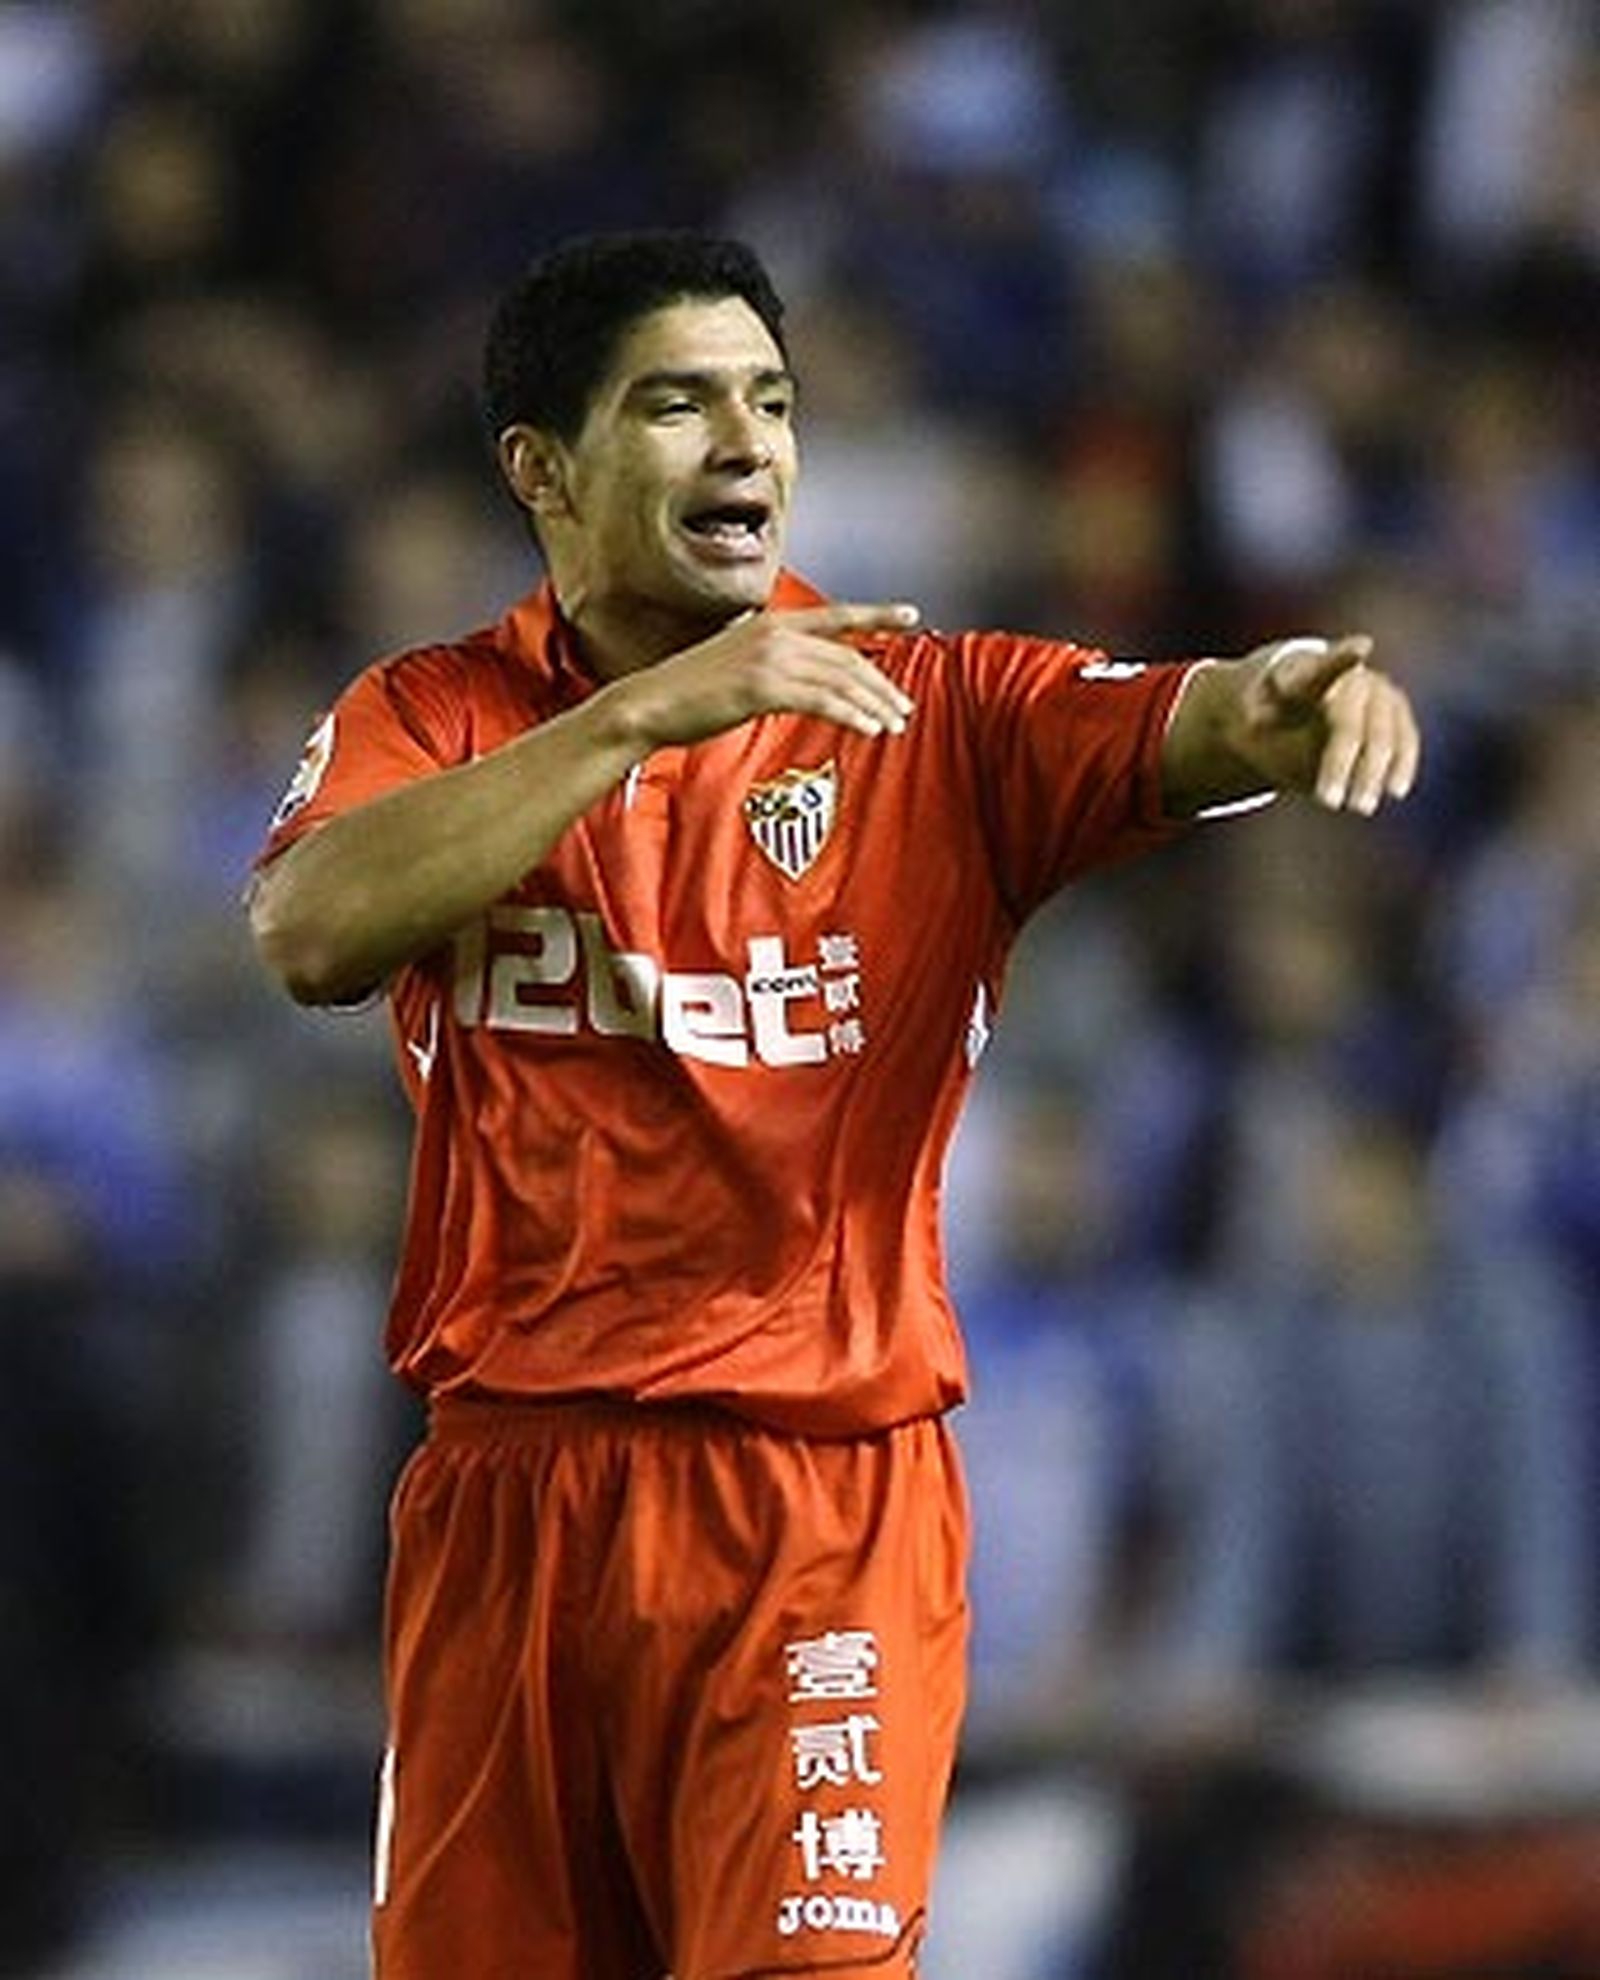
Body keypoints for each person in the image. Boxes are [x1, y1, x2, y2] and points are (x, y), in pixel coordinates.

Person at [247, 230, 1419, 1980]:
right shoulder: (434, 716)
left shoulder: (933, 715)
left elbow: (1195, 723)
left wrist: (1289, 696)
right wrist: (642, 721)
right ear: (541, 471)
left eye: (772, 402)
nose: (748, 443)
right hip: (513, 1513)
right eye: (679, 402)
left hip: (814, 1517)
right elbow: (313, 928)